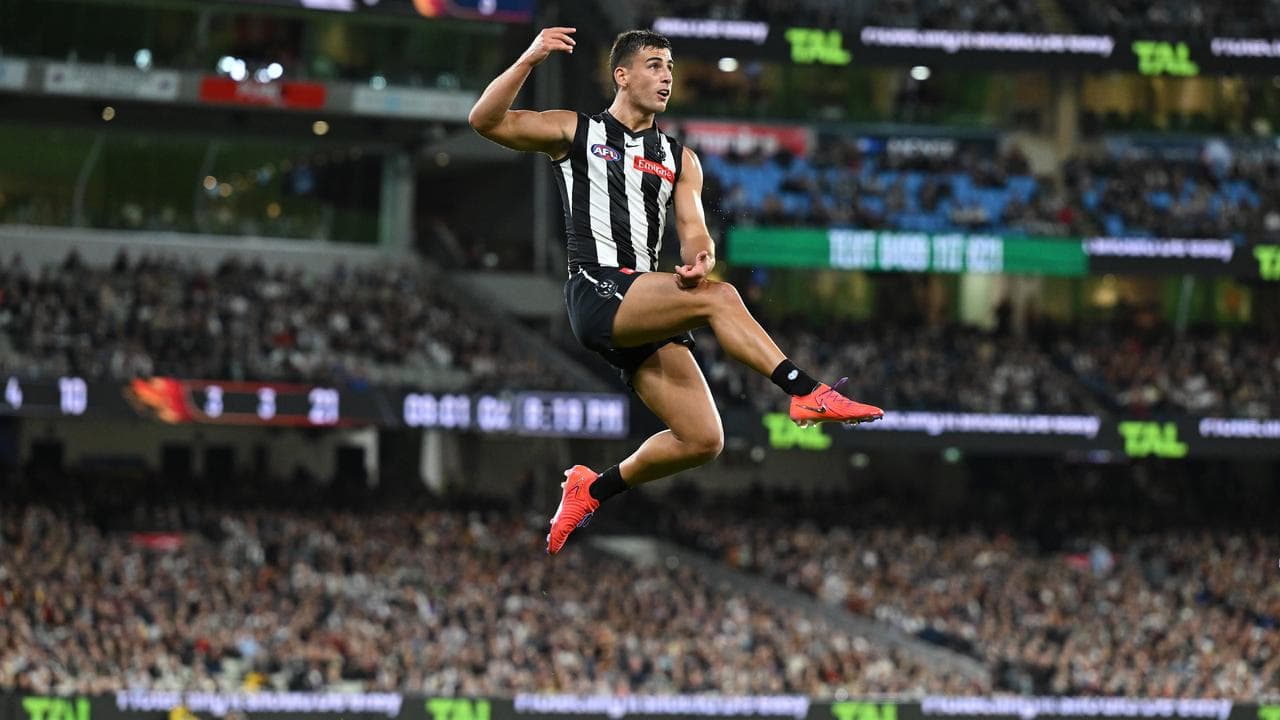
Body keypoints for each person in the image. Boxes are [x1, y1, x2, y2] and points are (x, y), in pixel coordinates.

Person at [469, 27, 884, 555]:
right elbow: (484, 121)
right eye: (654, 65)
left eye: (670, 67)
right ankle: (808, 393)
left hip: (644, 304)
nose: (667, 76)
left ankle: (591, 489)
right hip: (597, 289)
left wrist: (700, 257)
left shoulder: (679, 157)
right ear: (622, 75)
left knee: (704, 441)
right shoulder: (576, 131)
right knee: (721, 298)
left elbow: (692, 227)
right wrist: (529, 58)